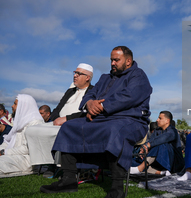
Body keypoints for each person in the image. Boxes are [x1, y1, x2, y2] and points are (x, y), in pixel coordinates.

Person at [40, 46, 152, 198]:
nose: (112, 63)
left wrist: (101, 106)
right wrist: (89, 103)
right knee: (69, 127)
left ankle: (117, 188)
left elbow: (129, 96)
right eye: (111, 60)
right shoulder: (105, 77)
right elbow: (91, 93)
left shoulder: (138, 76)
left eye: (116, 60)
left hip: (132, 120)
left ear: (128, 61)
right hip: (102, 119)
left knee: (115, 130)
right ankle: (68, 179)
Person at [25, 63, 94, 166]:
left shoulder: (93, 91)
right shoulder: (70, 91)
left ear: (87, 77)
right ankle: (42, 161)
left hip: (75, 123)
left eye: (78, 74)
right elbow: (57, 108)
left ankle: (54, 165)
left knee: (56, 133)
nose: (74, 75)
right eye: (75, 73)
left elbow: (87, 112)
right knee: (31, 130)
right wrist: (56, 118)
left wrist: (66, 119)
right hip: (58, 122)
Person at [0, 94, 44, 175]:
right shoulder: (20, 123)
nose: (12, 106)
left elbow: (28, 148)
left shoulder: (36, 123)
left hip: (26, 160)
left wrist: (2, 153)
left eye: (15, 104)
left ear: (24, 106)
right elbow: (8, 142)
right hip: (13, 155)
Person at [130, 111, 184, 175]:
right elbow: (150, 141)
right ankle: (160, 172)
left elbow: (162, 139)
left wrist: (148, 145)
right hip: (158, 160)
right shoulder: (157, 130)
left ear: (167, 121)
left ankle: (141, 168)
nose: (157, 120)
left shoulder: (173, 132)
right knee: (133, 160)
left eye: (160, 118)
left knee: (161, 145)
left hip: (172, 162)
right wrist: (144, 148)